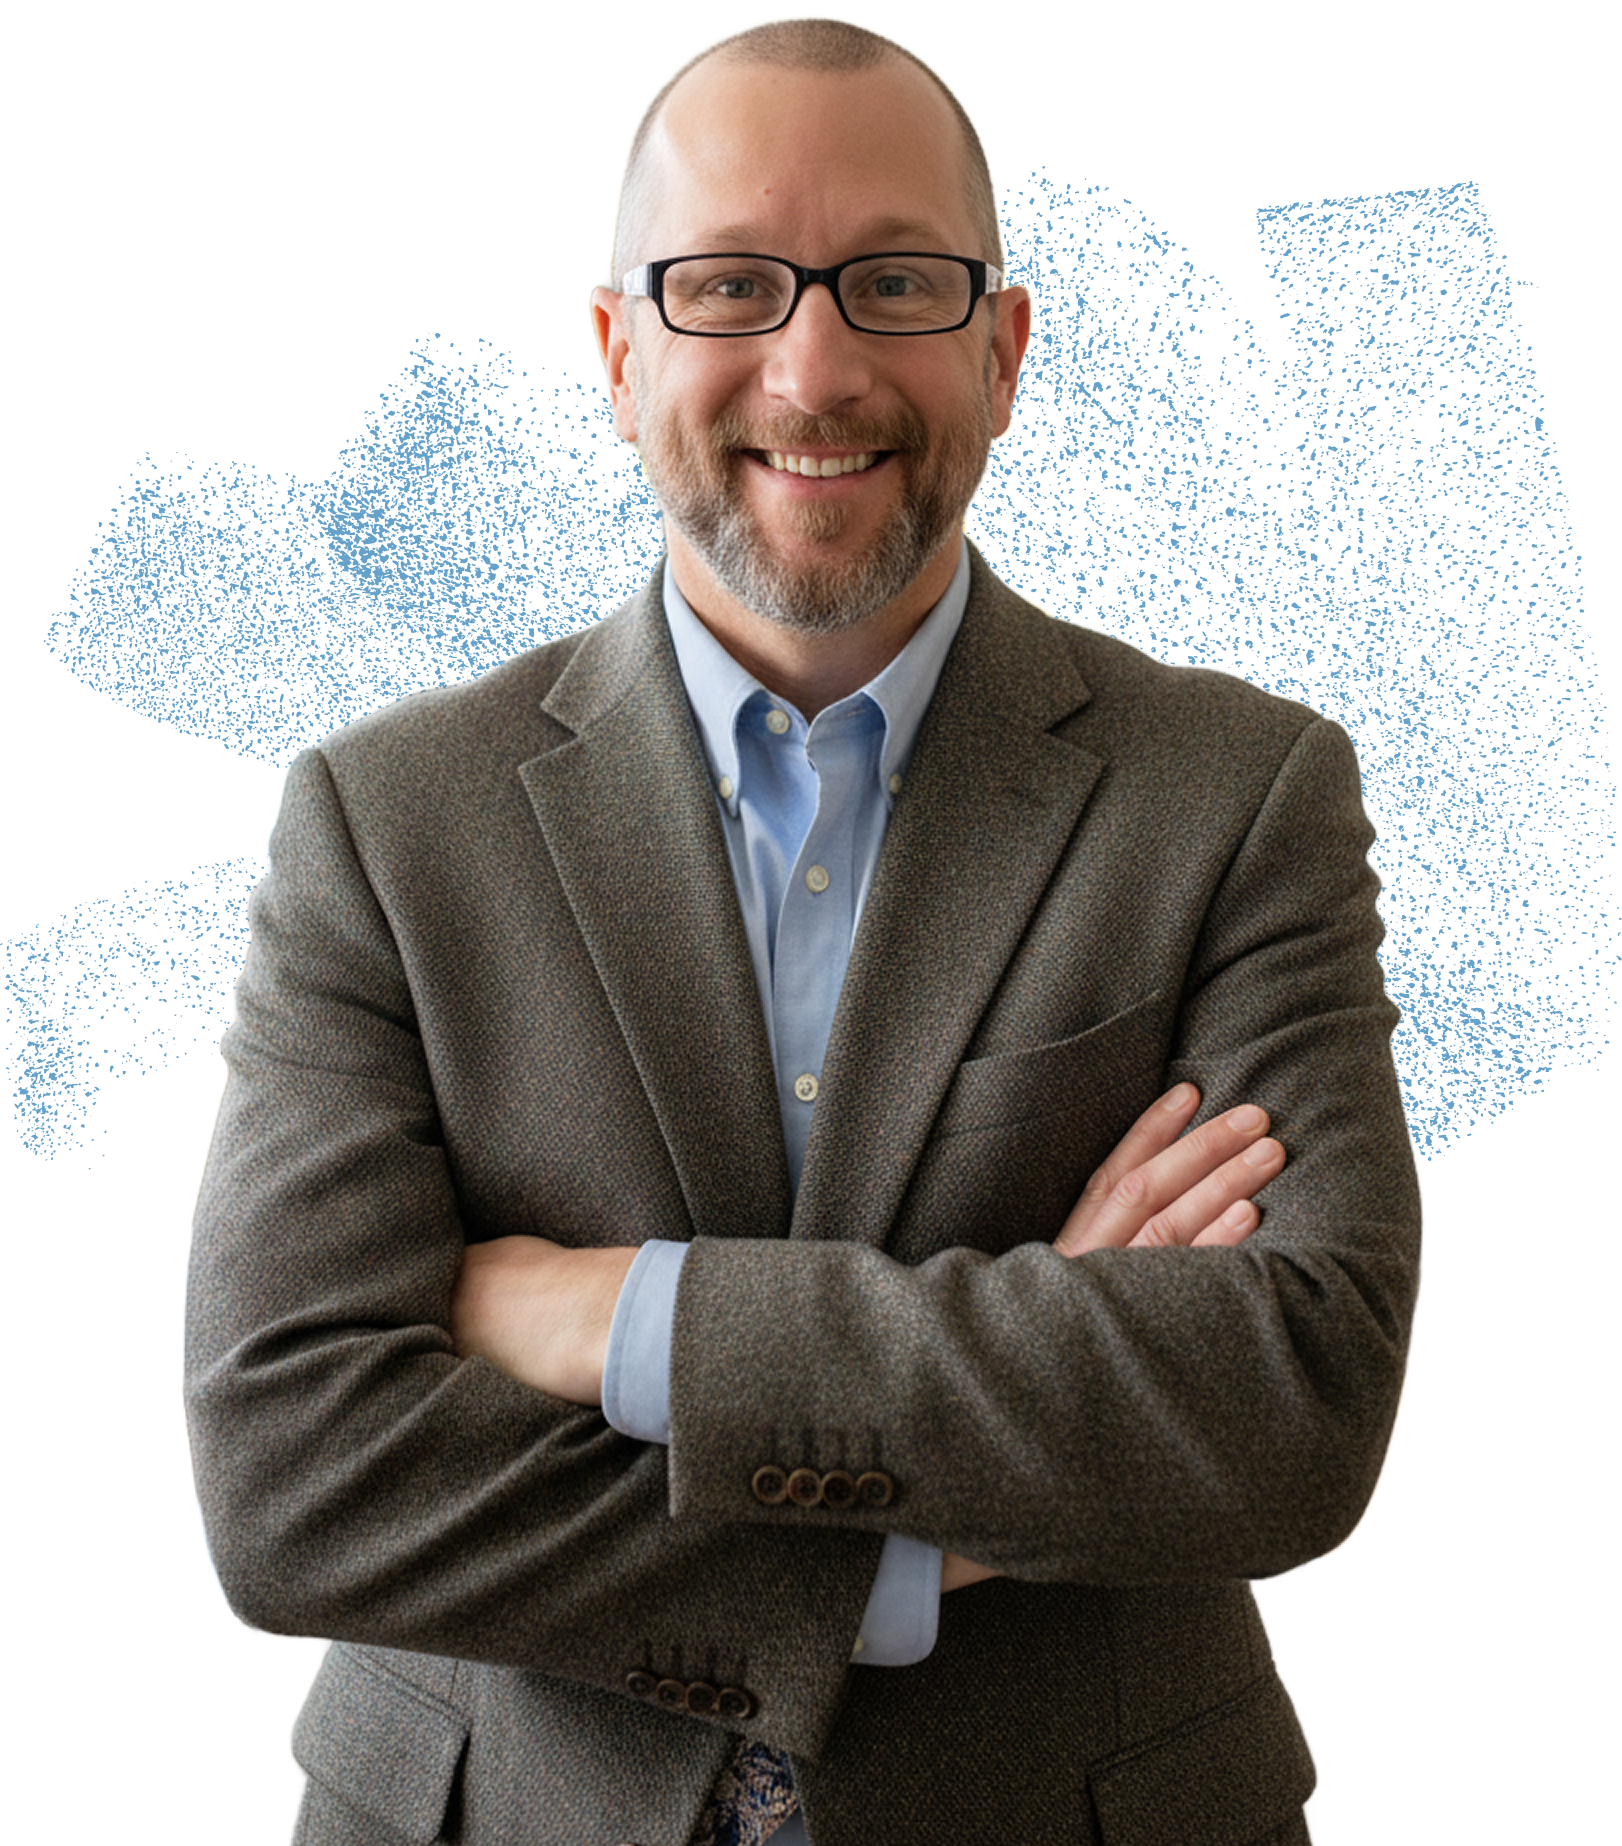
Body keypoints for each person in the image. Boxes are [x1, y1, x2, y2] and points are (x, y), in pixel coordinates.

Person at [181, 16, 1422, 1845]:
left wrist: (613, 1315)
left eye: (895, 283)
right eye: (728, 287)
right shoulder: (378, 818)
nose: (815, 365)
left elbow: (1289, 1410)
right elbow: (293, 1479)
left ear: (1003, 351)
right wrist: (916, 1543)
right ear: (617, 352)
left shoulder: (1240, 794)